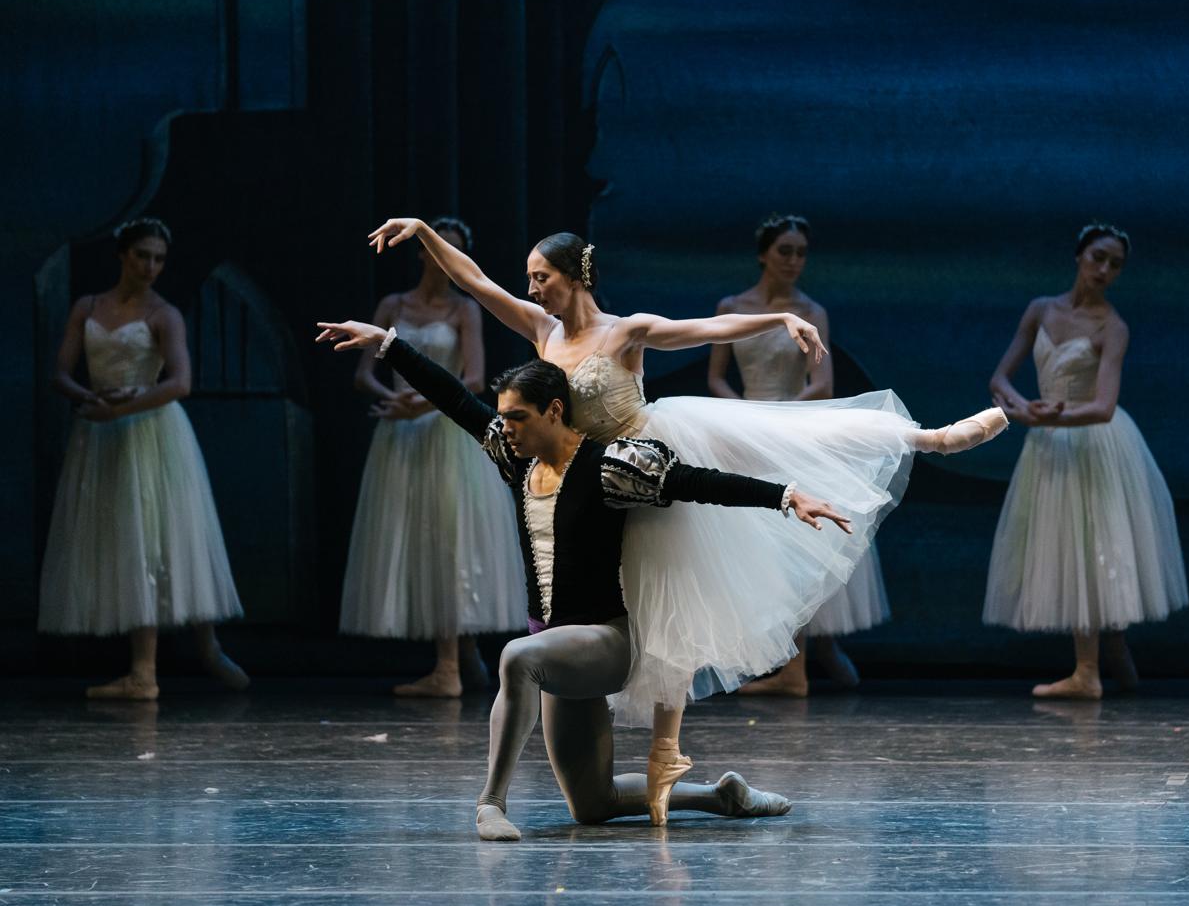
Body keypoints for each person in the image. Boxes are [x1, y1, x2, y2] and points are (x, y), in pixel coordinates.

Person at [365, 217, 1006, 823]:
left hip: (636, 465)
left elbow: (704, 330)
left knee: (763, 458)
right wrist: (423, 232)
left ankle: (928, 438)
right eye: (529, 278)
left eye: (542, 277)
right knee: (614, 640)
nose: (532, 288)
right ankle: (676, 771)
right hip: (584, 483)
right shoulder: (542, 331)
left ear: (576, 275)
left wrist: (778, 315)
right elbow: (473, 283)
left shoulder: (623, 332)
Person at [318, 318, 846, 837]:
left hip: (608, 641)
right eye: (503, 419)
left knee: (516, 658)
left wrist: (785, 496)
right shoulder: (517, 461)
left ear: (553, 411)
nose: (506, 428)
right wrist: (389, 345)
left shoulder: (609, 467)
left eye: (518, 418)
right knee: (592, 803)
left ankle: (490, 804)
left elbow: (695, 481)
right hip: (553, 646)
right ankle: (719, 796)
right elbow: (455, 400)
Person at [39, 218, 248, 700]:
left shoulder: (163, 314)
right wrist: (88, 400)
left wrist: (126, 406)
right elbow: (60, 374)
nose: (151, 266)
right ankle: (148, 667)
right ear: (122, 255)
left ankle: (161, 664)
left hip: (151, 430)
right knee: (121, 537)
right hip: (101, 431)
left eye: (158, 259)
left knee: (158, 534)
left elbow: (180, 382)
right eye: (142, 256)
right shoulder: (88, 307)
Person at [984, 223, 1188, 699]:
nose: (1104, 270)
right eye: (1098, 257)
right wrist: (1023, 406)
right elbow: (999, 378)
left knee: (1090, 544)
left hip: (1093, 441)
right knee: (1071, 544)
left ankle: (1088, 672)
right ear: (1079, 256)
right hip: (1051, 438)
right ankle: (1114, 662)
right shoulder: (1040, 310)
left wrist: (1048, 418)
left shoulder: (1112, 327)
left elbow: (1102, 406)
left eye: (1115, 264)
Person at [340, 217, 524, 695]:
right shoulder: (393, 305)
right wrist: (392, 397)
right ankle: (462, 659)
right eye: (437, 247)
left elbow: (476, 379)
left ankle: (448, 668)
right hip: (400, 432)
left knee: (448, 535)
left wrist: (419, 402)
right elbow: (364, 373)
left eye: (454, 249)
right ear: (422, 252)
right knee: (415, 534)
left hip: (445, 429)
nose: (443, 256)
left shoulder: (465, 310)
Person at [709, 214, 889, 695]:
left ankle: (797, 669)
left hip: (792, 430)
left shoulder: (813, 311)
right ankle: (794, 660)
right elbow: (716, 377)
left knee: (799, 545)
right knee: (755, 549)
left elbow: (823, 383)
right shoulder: (733, 306)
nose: (793, 261)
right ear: (763, 254)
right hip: (746, 430)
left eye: (801, 253)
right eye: (784, 250)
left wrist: (779, 416)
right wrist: (743, 415)